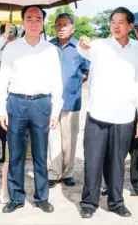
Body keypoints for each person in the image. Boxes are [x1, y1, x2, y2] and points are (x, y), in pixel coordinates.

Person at [77, 7, 138, 218]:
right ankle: (89, 203)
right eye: (113, 22)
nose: (116, 26)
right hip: (98, 114)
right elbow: (83, 48)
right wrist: (82, 41)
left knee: (117, 162)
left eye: (121, 22)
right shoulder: (99, 46)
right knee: (93, 160)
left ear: (130, 26)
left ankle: (116, 202)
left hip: (124, 115)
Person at [0, 5, 63, 214]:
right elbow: (2, 79)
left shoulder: (50, 49)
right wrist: (1, 109)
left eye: (38, 19)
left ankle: (42, 197)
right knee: (15, 153)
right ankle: (16, 197)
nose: (34, 22)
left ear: (43, 23)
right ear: (22, 22)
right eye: (29, 18)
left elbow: (56, 81)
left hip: (42, 104)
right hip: (17, 104)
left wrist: (55, 110)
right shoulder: (12, 48)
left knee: (41, 154)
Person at [48, 13, 90, 188]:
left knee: (70, 139)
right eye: (58, 25)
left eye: (65, 24)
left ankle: (68, 173)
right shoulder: (48, 47)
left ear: (72, 27)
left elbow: (87, 70)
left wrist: (75, 81)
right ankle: (54, 172)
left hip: (72, 100)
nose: (61, 28)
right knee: (53, 138)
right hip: (50, 101)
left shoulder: (79, 48)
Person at [0, 23, 18, 163]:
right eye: (6, 36)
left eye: (11, 35)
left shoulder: (20, 52)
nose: (9, 39)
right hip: (0, 95)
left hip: (16, 96)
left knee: (17, 127)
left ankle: (16, 154)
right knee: (2, 127)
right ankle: (5, 152)